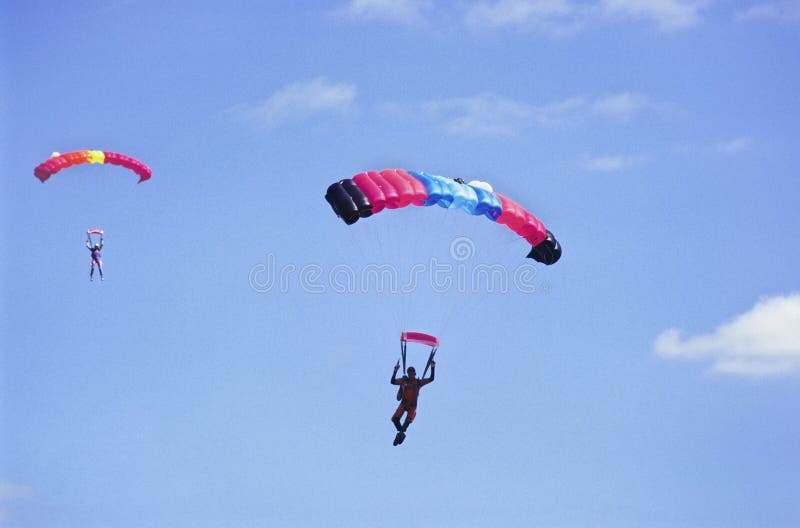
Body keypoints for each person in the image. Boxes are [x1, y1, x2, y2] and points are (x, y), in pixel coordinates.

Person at [390, 361, 435, 445]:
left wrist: (432, 367)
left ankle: (401, 433)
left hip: (412, 406)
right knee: (395, 420)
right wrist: (395, 371)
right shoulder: (404, 381)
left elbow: (431, 378)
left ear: (414, 374)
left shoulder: (418, 382)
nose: (411, 375)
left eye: (412, 374)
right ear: (408, 374)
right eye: (409, 374)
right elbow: (392, 381)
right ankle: (401, 433)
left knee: (407, 422)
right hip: (404, 404)